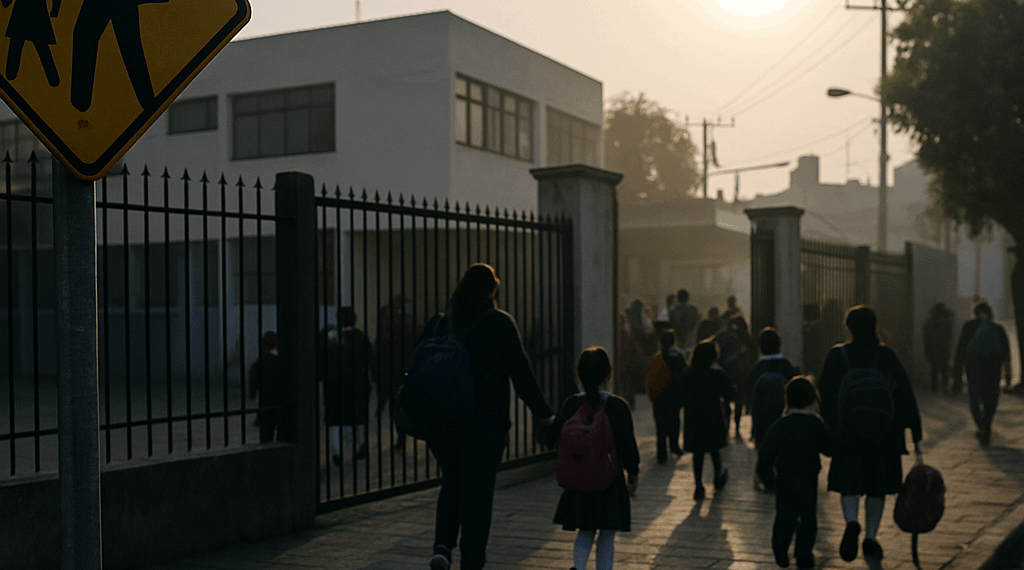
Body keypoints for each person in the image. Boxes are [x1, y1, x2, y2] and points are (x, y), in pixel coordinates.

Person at [423, 263, 556, 570]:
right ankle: (471, 561)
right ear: (493, 289)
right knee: (478, 494)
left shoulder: (441, 323)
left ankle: (442, 546)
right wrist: (545, 414)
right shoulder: (499, 322)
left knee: (452, 482)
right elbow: (521, 374)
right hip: (485, 423)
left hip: (444, 424)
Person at [818, 305, 922, 564]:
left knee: (849, 484)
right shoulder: (885, 355)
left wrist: (831, 426)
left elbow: (824, 395)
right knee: (877, 488)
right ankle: (871, 538)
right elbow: (905, 393)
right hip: (884, 434)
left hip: (848, 433)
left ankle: (852, 522)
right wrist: (915, 431)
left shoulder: (837, 355)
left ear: (848, 327)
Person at [549, 346, 640, 570]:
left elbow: (555, 439)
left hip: (579, 478)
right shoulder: (617, 406)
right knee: (607, 534)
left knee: (585, 529)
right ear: (608, 373)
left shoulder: (571, 404)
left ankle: (578, 567)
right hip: (609, 479)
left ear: (579, 374)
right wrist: (633, 473)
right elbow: (627, 445)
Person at [755, 377, 831, 569]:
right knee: (808, 518)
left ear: (787, 399)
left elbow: (766, 452)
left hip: (785, 478)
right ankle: (803, 554)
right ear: (813, 398)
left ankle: (780, 549)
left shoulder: (781, 424)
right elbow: (829, 448)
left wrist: (764, 475)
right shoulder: (816, 424)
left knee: (784, 517)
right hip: (808, 478)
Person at [680, 338, 735, 500]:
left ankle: (698, 486)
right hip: (713, 417)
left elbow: (680, 394)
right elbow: (730, 394)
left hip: (694, 418)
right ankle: (718, 478)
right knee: (714, 450)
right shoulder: (717, 375)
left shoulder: (688, 374)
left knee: (698, 454)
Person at [952, 300, 1011, 445]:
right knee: (990, 400)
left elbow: (960, 351)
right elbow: (1006, 354)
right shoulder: (998, 329)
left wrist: (957, 374)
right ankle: (987, 427)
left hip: (974, 370)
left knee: (974, 400)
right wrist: (1008, 375)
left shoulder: (969, 327)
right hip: (993, 371)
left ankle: (981, 426)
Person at [321, 307, 374, 463]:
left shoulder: (330, 337)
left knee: (334, 419)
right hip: (358, 381)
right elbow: (369, 359)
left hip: (335, 383)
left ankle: (336, 452)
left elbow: (323, 361)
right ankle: (362, 444)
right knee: (359, 416)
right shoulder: (361, 337)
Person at [374, 295, 418, 449]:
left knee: (394, 399)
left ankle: (400, 435)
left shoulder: (386, 334)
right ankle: (401, 436)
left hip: (392, 368)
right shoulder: (405, 325)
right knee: (399, 402)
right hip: (400, 368)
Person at [747, 327, 800, 447]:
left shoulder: (759, 367)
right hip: (782, 415)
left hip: (763, 419)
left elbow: (748, 388)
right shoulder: (785, 364)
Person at [645, 329, 686, 464]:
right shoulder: (678, 356)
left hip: (659, 396)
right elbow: (683, 374)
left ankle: (661, 452)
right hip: (674, 395)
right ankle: (674, 445)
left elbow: (649, 377)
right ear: (674, 341)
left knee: (660, 425)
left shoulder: (655, 358)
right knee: (674, 420)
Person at [716, 316, 757, 438]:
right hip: (742, 373)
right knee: (739, 399)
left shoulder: (722, 336)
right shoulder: (747, 337)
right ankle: (737, 426)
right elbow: (754, 356)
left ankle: (726, 424)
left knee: (725, 399)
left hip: (725, 371)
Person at [247, 330, 288, 443]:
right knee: (283, 434)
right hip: (281, 402)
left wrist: (252, 394)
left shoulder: (259, 363)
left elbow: (253, 380)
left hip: (265, 402)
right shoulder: (282, 362)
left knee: (266, 435)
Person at [923, 302, 954, 394]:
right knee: (936, 369)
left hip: (940, 349)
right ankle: (937, 387)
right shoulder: (931, 323)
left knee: (940, 369)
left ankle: (939, 387)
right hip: (937, 349)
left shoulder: (933, 323)